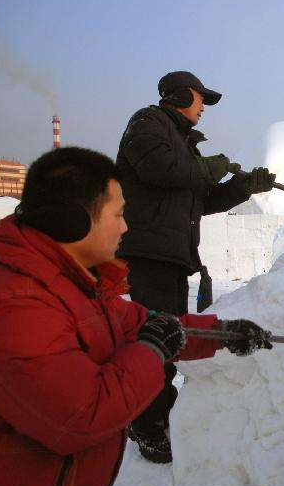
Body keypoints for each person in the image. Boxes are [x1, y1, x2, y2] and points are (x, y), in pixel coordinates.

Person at [0, 147, 271, 486]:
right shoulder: (13, 303)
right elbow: (81, 415)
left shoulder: (71, 285)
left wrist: (221, 334)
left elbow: (140, 324)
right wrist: (151, 350)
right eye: (119, 214)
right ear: (74, 221)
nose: (127, 226)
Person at [116, 70, 275, 463]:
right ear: (181, 95)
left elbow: (201, 200)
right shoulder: (147, 124)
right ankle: (147, 426)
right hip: (149, 253)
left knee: (169, 337)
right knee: (155, 339)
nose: (203, 107)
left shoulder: (182, 142)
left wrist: (243, 187)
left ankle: (158, 413)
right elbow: (159, 168)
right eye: (201, 98)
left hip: (172, 256)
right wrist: (204, 168)